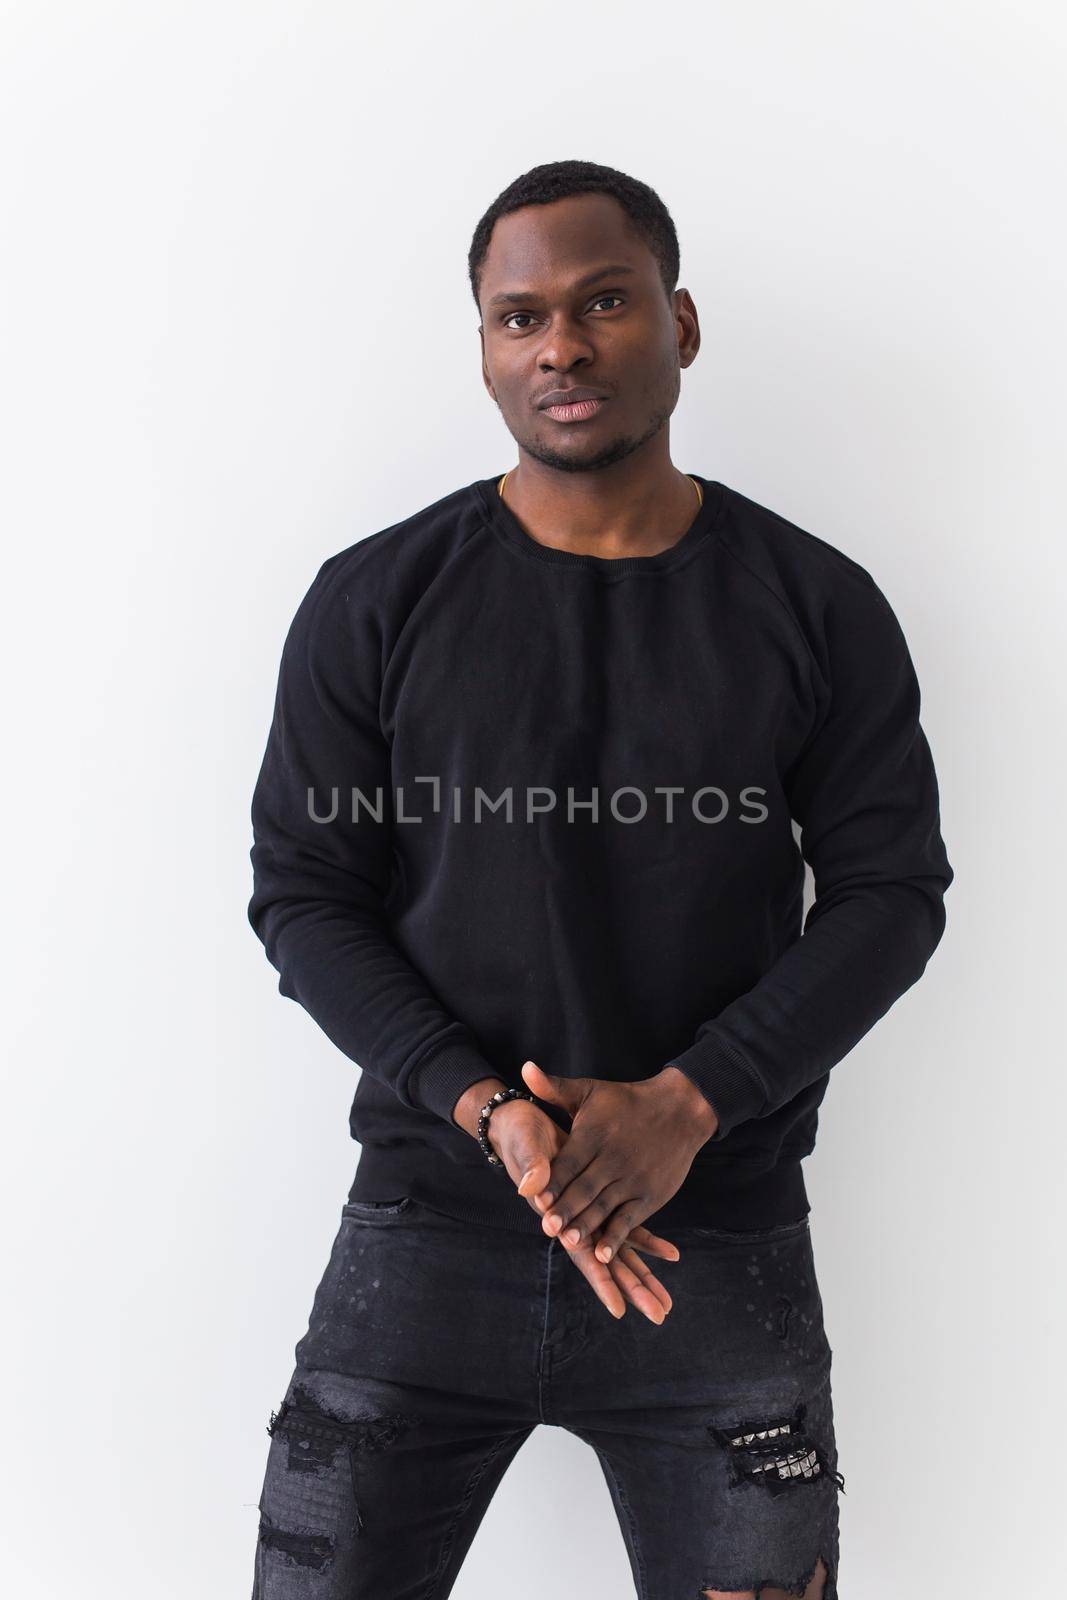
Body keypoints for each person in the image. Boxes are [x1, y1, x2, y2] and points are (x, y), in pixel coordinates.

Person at [245, 159, 953, 1600]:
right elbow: (305, 896)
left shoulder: (816, 604)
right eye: (518, 318)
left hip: (719, 1244)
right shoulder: (376, 600)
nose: (559, 346)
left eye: (603, 302)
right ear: (488, 348)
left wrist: (691, 1102)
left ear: (681, 325)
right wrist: (488, 1105)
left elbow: (893, 889)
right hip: (428, 1230)